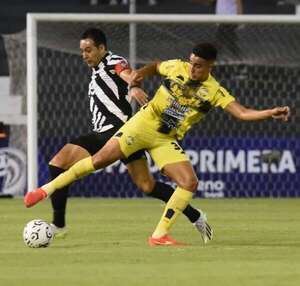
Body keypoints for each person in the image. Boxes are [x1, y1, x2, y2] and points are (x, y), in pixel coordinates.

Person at [24, 42, 290, 246]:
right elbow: (155, 66)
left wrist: (269, 112)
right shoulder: (177, 67)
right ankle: (44, 191)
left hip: (166, 138)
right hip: (143, 124)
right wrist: (139, 75)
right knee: (99, 161)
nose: (192, 68)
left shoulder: (215, 91)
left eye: (199, 66)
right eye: (191, 62)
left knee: (189, 182)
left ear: (210, 66)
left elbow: (241, 113)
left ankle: (160, 235)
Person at [38, 28, 210, 242]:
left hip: (113, 131)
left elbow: (127, 73)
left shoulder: (113, 62)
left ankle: (58, 224)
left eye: (89, 50)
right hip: (124, 134)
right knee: (147, 186)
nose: (85, 55)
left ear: (102, 48)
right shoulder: (97, 70)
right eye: (82, 51)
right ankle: (196, 216)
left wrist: (134, 86)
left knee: (58, 162)